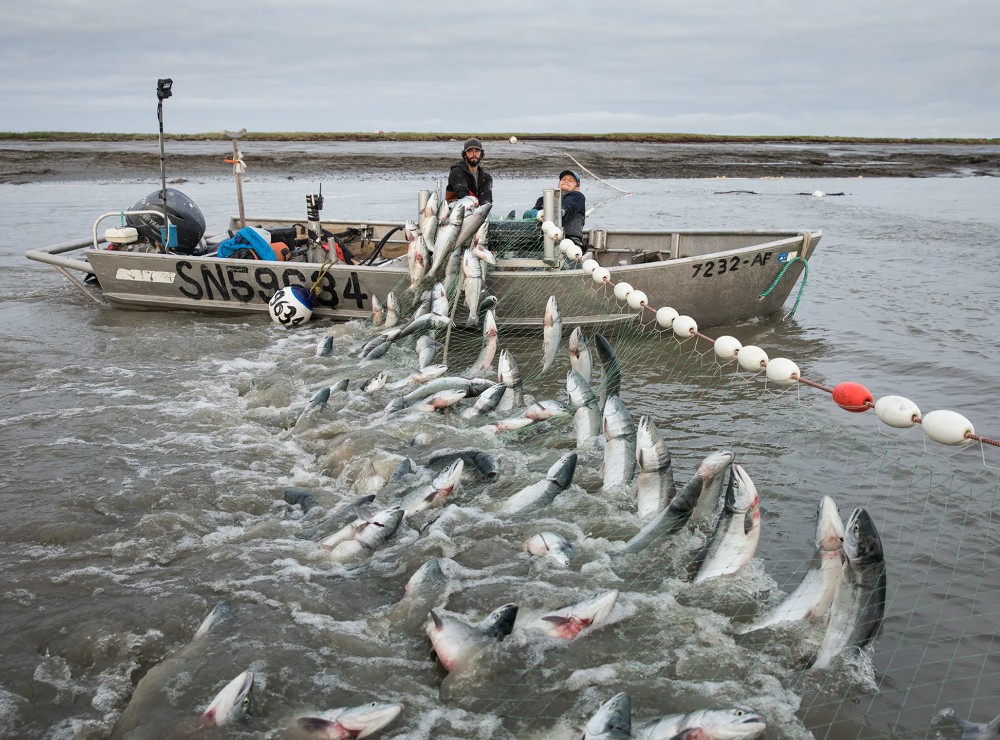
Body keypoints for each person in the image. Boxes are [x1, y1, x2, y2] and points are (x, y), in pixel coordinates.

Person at [525, 170, 586, 246]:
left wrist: (553, 211)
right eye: (563, 179)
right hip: (541, 240)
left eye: (571, 181)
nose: (566, 181)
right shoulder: (545, 198)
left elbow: (567, 209)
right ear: (559, 184)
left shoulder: (577, 197)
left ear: (577, 188)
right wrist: (533, 213)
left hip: (568, 242)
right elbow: (531, 214)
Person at [446, 138, 493, 205]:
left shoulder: (486, 178)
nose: (474, 154)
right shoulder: (456, 172)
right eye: (470, 151)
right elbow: (462, 192)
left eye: (477, 151)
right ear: (465, 155)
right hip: (454, 209)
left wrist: (484, 208)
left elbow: (487, 197)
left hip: (475, 210)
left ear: (481, 154)